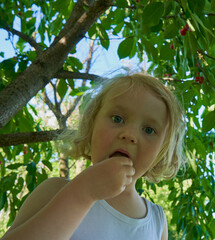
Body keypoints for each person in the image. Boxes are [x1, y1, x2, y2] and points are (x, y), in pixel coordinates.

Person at [1, 73, 186, 240]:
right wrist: (83, 192)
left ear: (162, 151)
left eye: (149, 130)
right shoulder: (54, 192)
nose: (129, 134)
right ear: (91, 125)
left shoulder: (156, 222)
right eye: (117, 119)